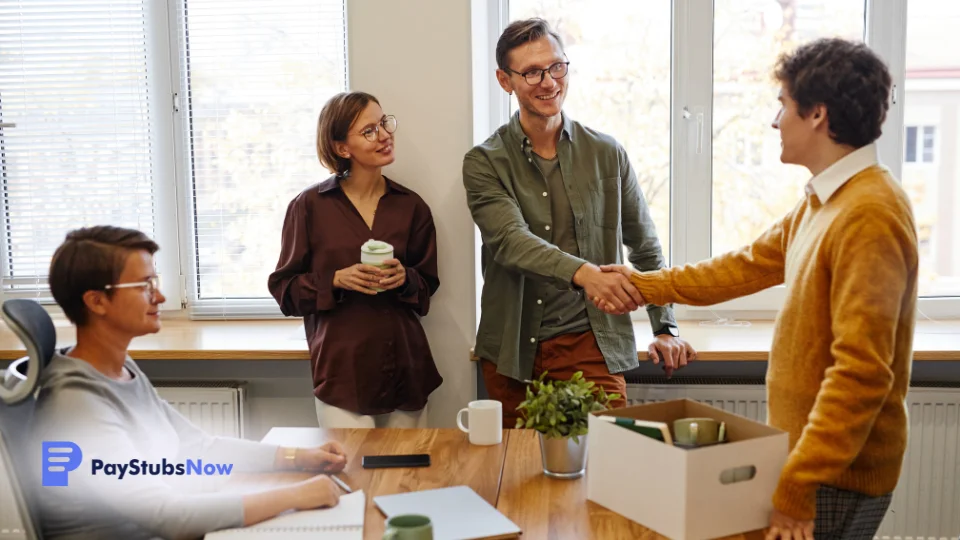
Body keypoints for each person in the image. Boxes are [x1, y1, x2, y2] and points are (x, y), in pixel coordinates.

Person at [602, 38, 915, 540]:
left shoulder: (870, 214)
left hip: (834, 477)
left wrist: (796, 487)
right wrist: (642, 284)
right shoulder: (824, 201)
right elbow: (743, 268)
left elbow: (861, 376)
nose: (775, 121)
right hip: (810, 466)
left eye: (783, 105)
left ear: (817, 114)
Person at [33, 226, 349, 540]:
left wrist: (296, 457)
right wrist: (296, 495)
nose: (159, 296)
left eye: (154, 282)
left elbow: (197, 446)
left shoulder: (118, 368)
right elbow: (170, 517)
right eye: (144, 285)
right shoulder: (77, 405)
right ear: (97, 301)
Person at [462, 18, 695, 426]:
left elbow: (644, 245)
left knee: (600, 471)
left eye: (556, 67)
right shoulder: (484, 161)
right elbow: (511, 241)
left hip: (590, 341)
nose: (548, 81)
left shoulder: (607, 153)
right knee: (516, 478)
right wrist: (587, 274)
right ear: (505, 80)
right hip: (512, 350)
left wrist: (666, 326)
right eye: (532, 72)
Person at [269, 91, 441, 429]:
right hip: (342, 374)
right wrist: (335, 280)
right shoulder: (308, 207)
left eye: (384, 123)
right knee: (351, 478)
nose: (385, 135)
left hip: (406, 368)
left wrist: (404, 278)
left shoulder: (412, 207)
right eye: (369, 131)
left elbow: (427, 287)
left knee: (407, 480)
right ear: (341, 148)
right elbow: (285, 291)